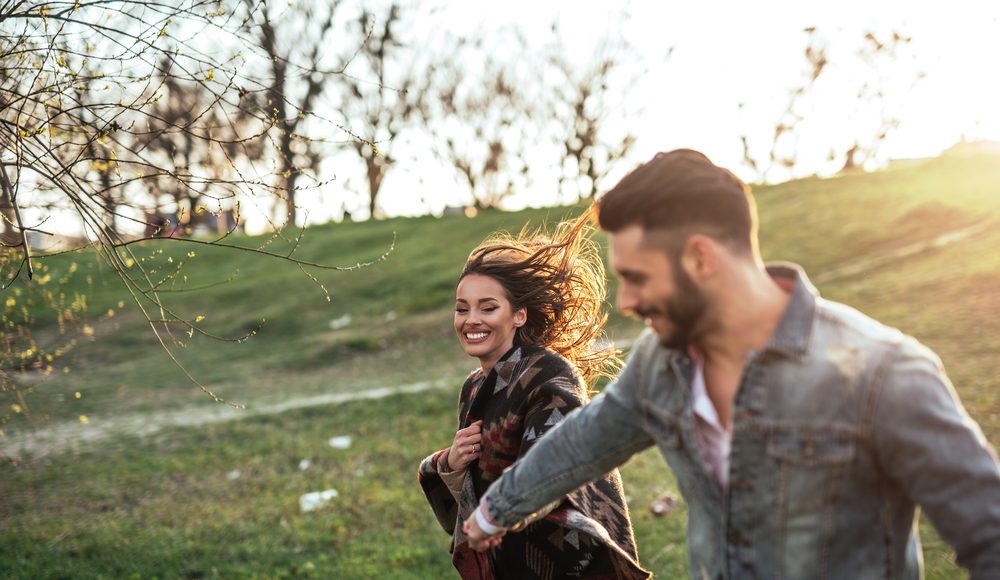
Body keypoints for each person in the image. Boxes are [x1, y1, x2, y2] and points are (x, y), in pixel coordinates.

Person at [463, 149, 1000, 578]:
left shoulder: (883, 374)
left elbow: (988, 532)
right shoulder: (661, 362)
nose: (625, 303)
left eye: (638, 278)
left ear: (701, 259)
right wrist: (494, 511)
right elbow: (586, 440)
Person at [418, 211, 650, 579]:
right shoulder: (474, 387)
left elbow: (555, 462)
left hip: (564, 563)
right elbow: (470, 495)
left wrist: (498, 510)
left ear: (520, 315)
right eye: (462, 309)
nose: (471, 320)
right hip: (504, 559)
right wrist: (450, 462)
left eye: (488, 307)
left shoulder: (549, 372)